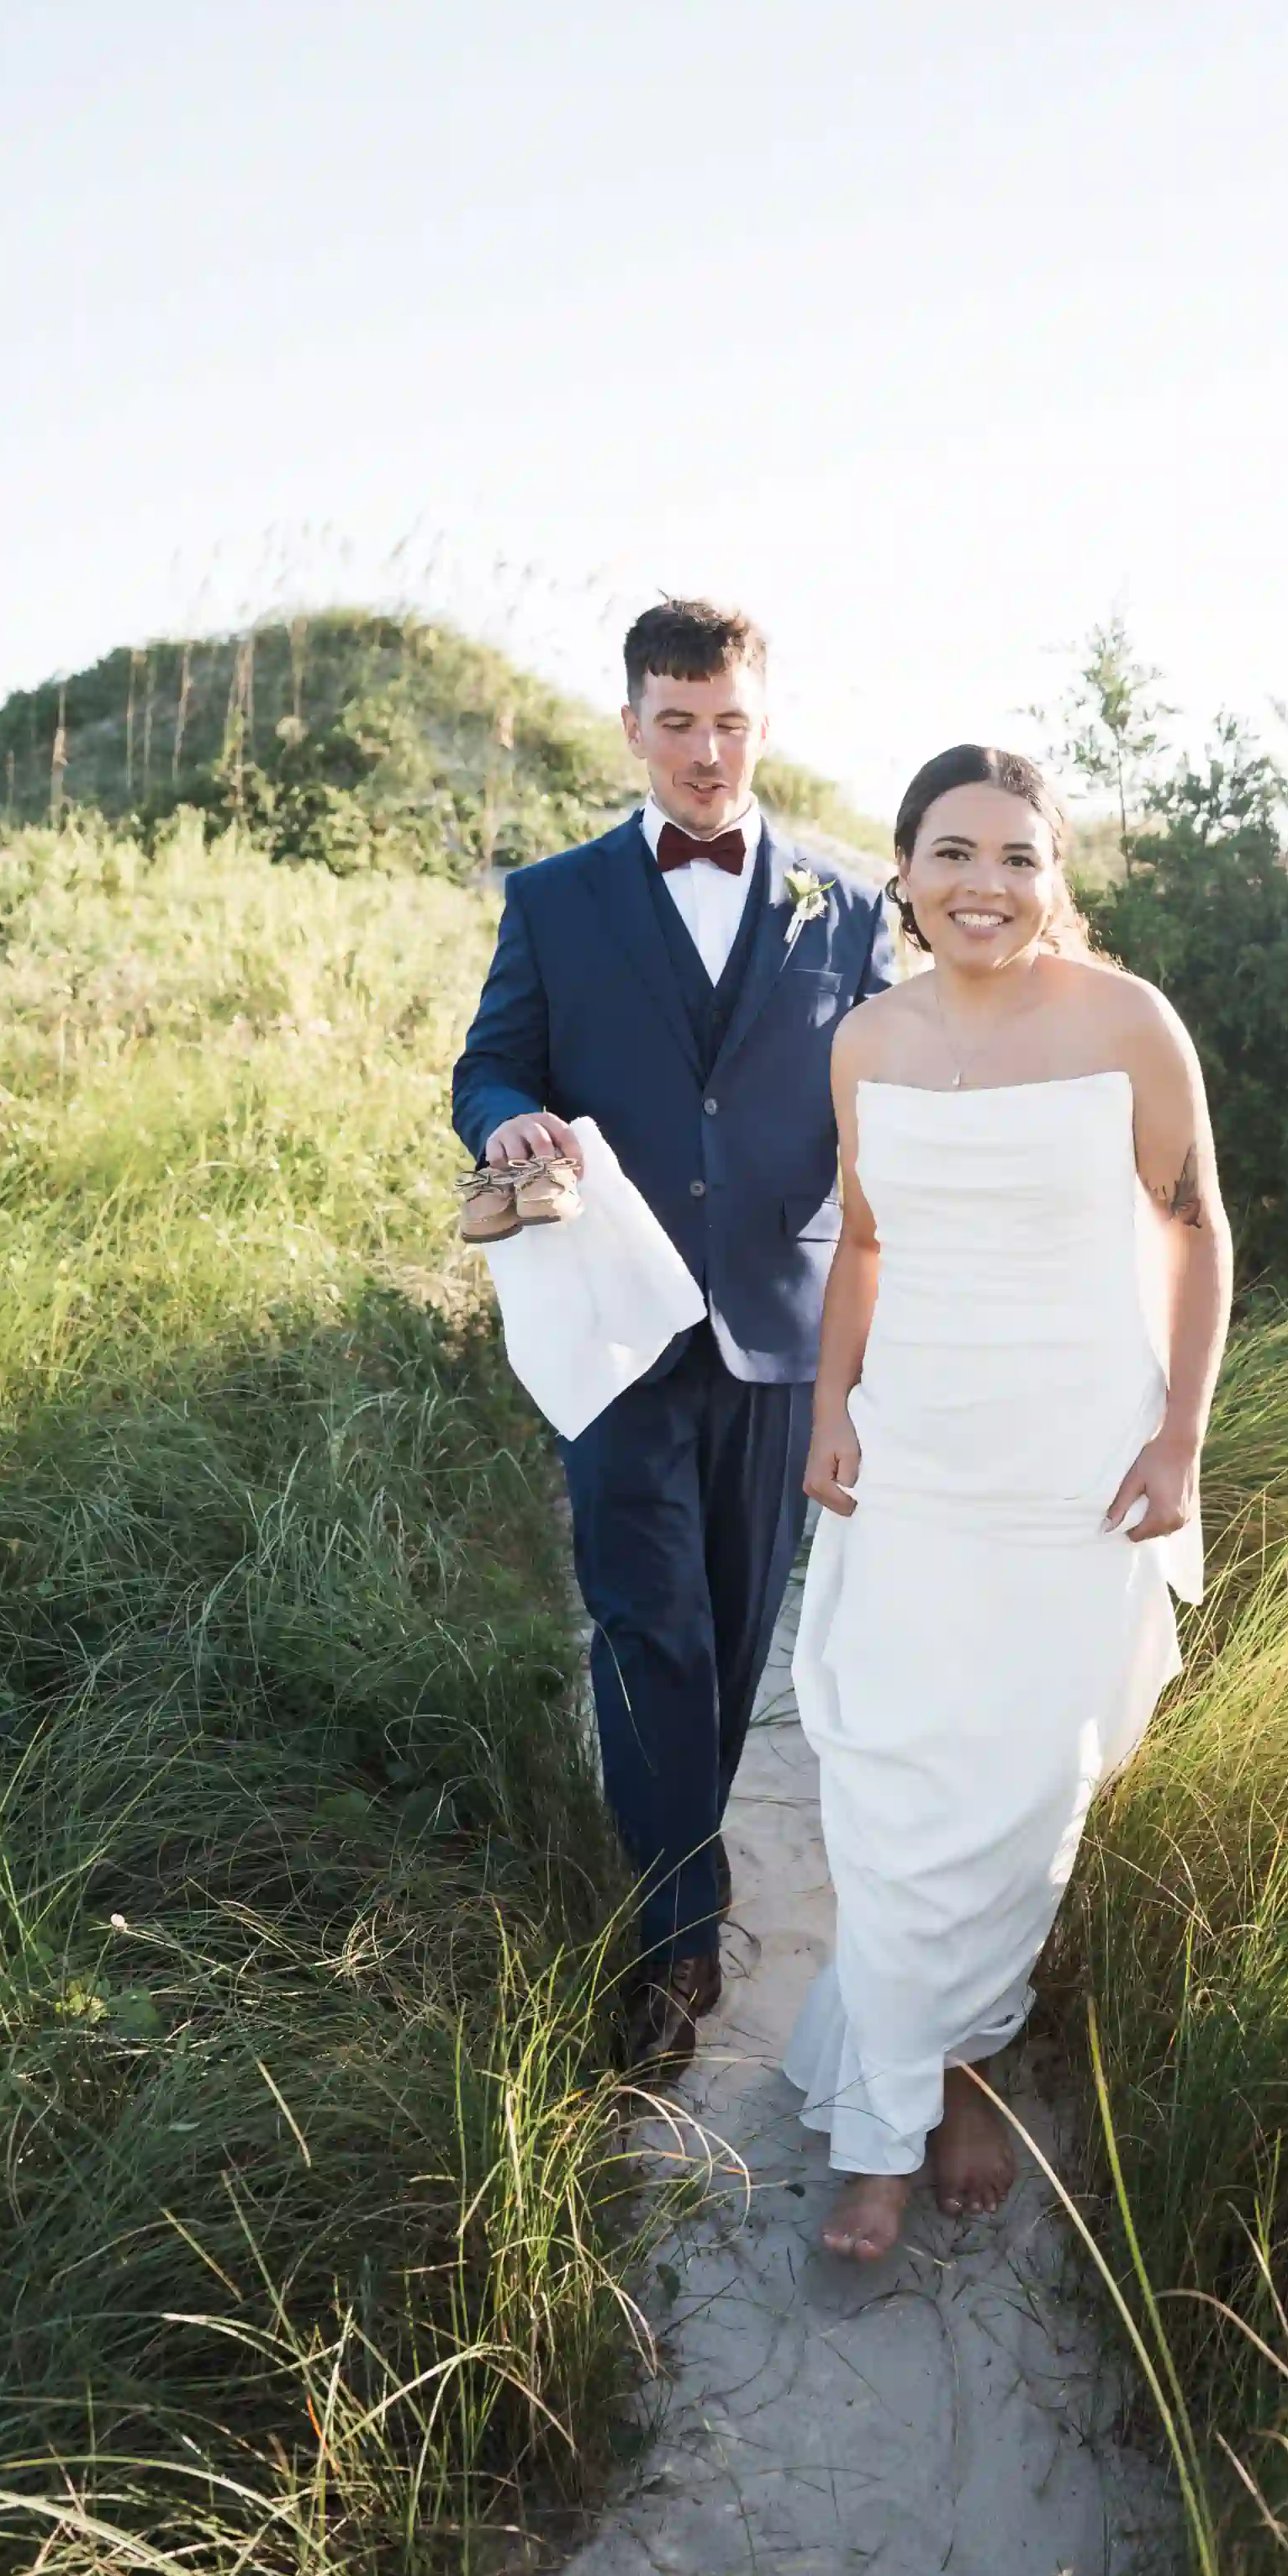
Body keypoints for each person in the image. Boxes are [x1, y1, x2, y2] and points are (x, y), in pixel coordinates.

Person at [784, 744, 1233, 2261]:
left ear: (1056, 876)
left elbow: (1195, 1232)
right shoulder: (866, 1041)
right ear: (902, 872)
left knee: (1026, 1786)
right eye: (954, 853)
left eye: (1019, 856)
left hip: (1073, 1463)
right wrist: (832, 1406)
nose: (987, 884)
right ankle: (883, 2137)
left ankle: (961, 2061)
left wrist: (1181, 1440)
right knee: (903, 1788)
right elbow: (862, 1246)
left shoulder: (1127, 1026)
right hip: (916, 1457)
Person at [453, 600, 892, 2066]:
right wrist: (506, 1113)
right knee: (649, 1629)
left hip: (780, 1321)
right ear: (633, 723)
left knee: (733, 1625)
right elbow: (492, 1058)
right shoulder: (557, 898)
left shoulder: (843, 904)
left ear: (764, 725)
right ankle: (674, 1942)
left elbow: (897, 1080)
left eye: (733, 723)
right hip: (615, 1318)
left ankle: (677, 1872)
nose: (708, 753)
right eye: (679, 721)